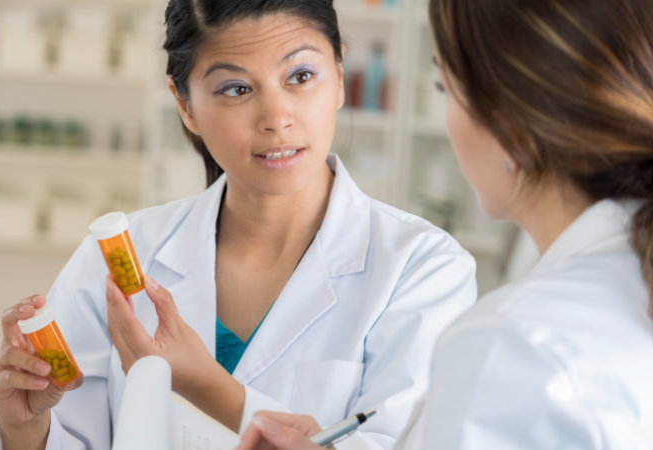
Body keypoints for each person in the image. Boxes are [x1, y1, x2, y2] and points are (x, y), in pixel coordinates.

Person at [0, 1, 478, 449]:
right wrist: (26, 428)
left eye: (301, 76)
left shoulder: (422, 269)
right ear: (185, 105)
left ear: (341, 75)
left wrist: (208, 386)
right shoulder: (122, 254)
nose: (276, 117)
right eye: (236, 89)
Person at [235, 0, 653, 448]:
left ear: (509, 127)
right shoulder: (617, 288)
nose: (277, 120)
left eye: (444, 87)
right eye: (238, 88)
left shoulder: (514, 344)